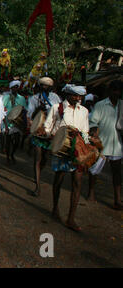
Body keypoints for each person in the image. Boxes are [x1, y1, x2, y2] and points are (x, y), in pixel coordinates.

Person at [43, 84, 89, 231]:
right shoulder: (57, 108)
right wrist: (52, 136)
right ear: (68, 94)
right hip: (61, 149)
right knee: (59, 179)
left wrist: (87, 142)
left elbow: (85, 131)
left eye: (80, 96)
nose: (78, 98)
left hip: (77, 150)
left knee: (77, 182)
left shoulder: (84, 111)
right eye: (75, 95)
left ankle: (71, 218)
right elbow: (47, 127)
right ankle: (55, 207)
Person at [88, 81, 123, 210]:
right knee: (94, 170)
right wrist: (94, 134)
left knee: (117, 172)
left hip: (117, 145)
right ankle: (91, 192)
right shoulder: (100, 105)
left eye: (119, 91)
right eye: (115, 90)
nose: (117, 93)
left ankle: (117, 199)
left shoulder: (122, 105)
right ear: (110, 91)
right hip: (102, 144)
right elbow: (93, 122)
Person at [27, 77, 62, 196]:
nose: (45, 87)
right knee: (38, 158)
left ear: (51, 87)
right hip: (38, 130)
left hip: (50, 132)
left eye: (47, 86)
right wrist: (38, 109)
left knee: (45, 159)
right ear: (39, 86)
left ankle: (38, 174)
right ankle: (37, 186)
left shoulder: (55, 98)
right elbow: (30, 115)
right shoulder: (34, 98)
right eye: (43, 85)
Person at [3, 80, 27, 163]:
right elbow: (3, 108)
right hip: (8, 122)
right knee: (8, 141)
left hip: (17, 123)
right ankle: (8, 157)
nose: (15, 89)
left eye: (16, 87)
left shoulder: (21, 98)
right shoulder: (6, 97)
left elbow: (25, 109)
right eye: (13, 88)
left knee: (17, 141)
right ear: (11, 88)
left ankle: (12, 154)